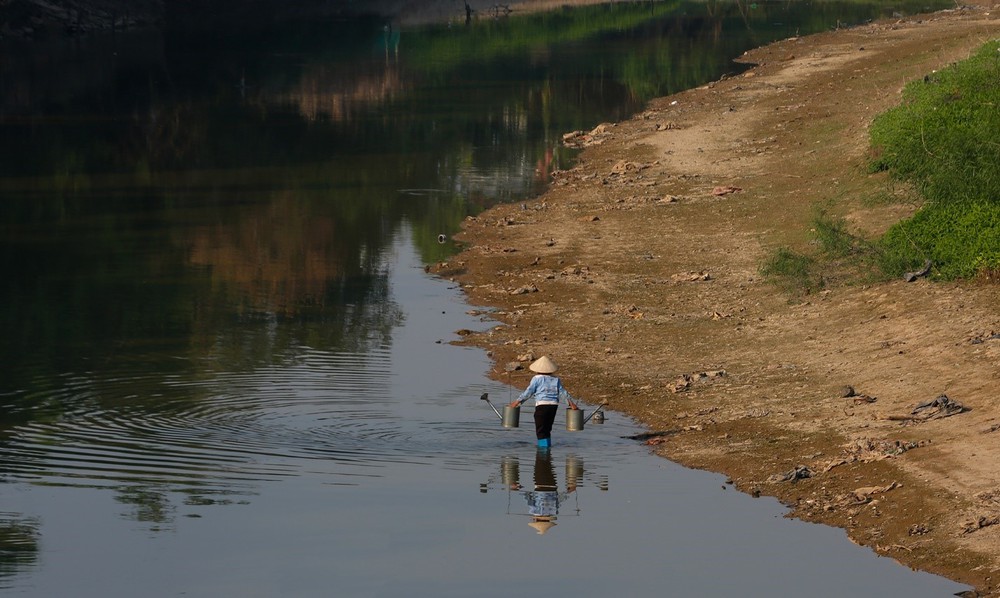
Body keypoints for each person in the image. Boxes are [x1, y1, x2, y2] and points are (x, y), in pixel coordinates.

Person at [511, 356, 578, 448]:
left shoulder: (537, 378)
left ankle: (543, 453)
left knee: (540, 430)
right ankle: (547, 448)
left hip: (542, 406)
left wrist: (517, 401)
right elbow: (562, 392)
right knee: (547, 429)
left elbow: (529, 392)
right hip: (553, 406)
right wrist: (571, 404)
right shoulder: (556, 379)